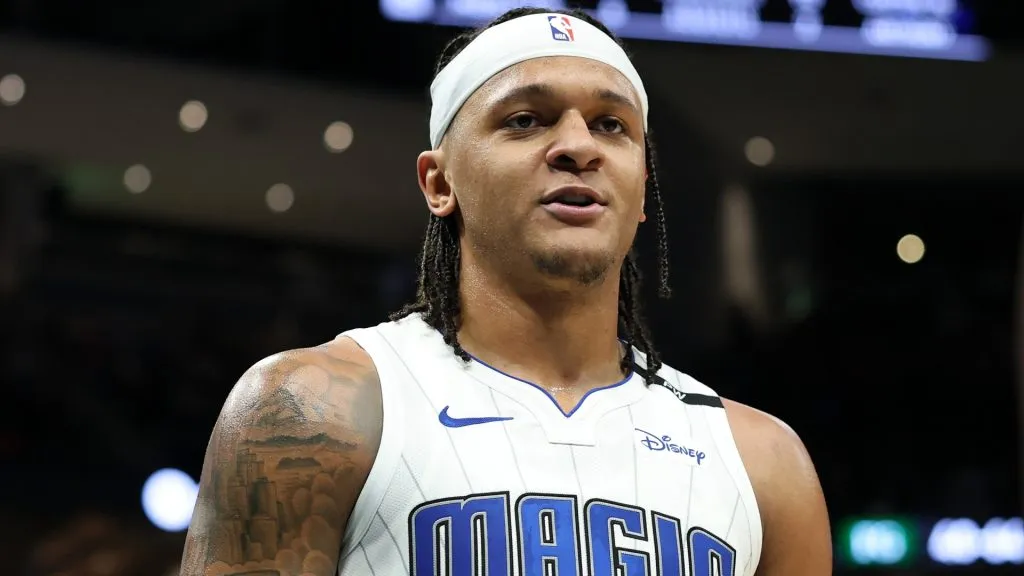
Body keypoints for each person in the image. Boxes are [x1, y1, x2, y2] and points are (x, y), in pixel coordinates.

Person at [180, 7, 831, 576]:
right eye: (526, 120)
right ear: (439, 183)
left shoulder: (763, 463)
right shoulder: (310, 411)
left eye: (611, 125)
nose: (578, 146)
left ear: (641, 193)